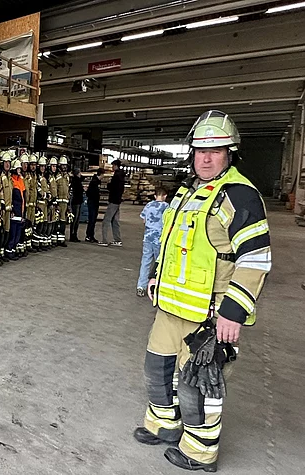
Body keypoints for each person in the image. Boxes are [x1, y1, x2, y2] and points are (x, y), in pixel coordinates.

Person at [136, 110, 271, 472]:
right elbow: (171, 242)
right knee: (158, 368)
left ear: (230, 154)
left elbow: (255, 259)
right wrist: (154, 277)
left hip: (211, 316)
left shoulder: (239, 195)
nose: (206, 158)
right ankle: (165, 425)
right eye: (199, 151)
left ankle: (200, 451)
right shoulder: (187, 191)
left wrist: (233, 313)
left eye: (215, 151)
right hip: (171, 306)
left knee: (198, 385)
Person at [136, 185, 169, 297]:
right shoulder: (167, 207)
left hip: (147, 238)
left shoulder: (149, 205)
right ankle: (157, 287)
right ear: (165, 196)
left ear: (155, 195)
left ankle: (141, 286)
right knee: (159, 264)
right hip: (159, 239)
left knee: (145, 262)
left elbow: (144, 220)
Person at [101, 159, 125, 247]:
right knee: (115, 221)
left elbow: (113, 187)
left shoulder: (116, 176)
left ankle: (104, 240)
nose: (112, 167)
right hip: (118, 201)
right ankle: (117, 240)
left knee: (106, 221)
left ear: (115, 166)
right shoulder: (122, 175)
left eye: (112, 166)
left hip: (113, 201)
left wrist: (108, 185)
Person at [6, 159, 26, 260]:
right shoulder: (12, 181)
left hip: (20, 211)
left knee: (18, 234)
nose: (19, 170)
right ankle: (10, 251)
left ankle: (13, 250)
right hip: (15, 212)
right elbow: (11, 197)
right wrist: (12, 210)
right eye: (17, 169)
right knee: (13, 234)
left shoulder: (20, 180)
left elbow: (23, 196)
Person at [86, 168, 103, 243]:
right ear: (101, 174)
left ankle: (91, 235)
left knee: (93, 220)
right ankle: (89, 236)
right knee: (92, 220)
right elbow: (90, 193)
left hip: (95, 203)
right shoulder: (94, 182)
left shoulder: (97, 182)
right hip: (92, 203)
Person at [69, 167, 84, 242]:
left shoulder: (76, 180)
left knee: (76, 220)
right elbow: (79, 191)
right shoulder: (76, 181)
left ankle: (74, 234)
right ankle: (73, 235)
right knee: (75, 220)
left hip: (77, 202)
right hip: (76, 202)